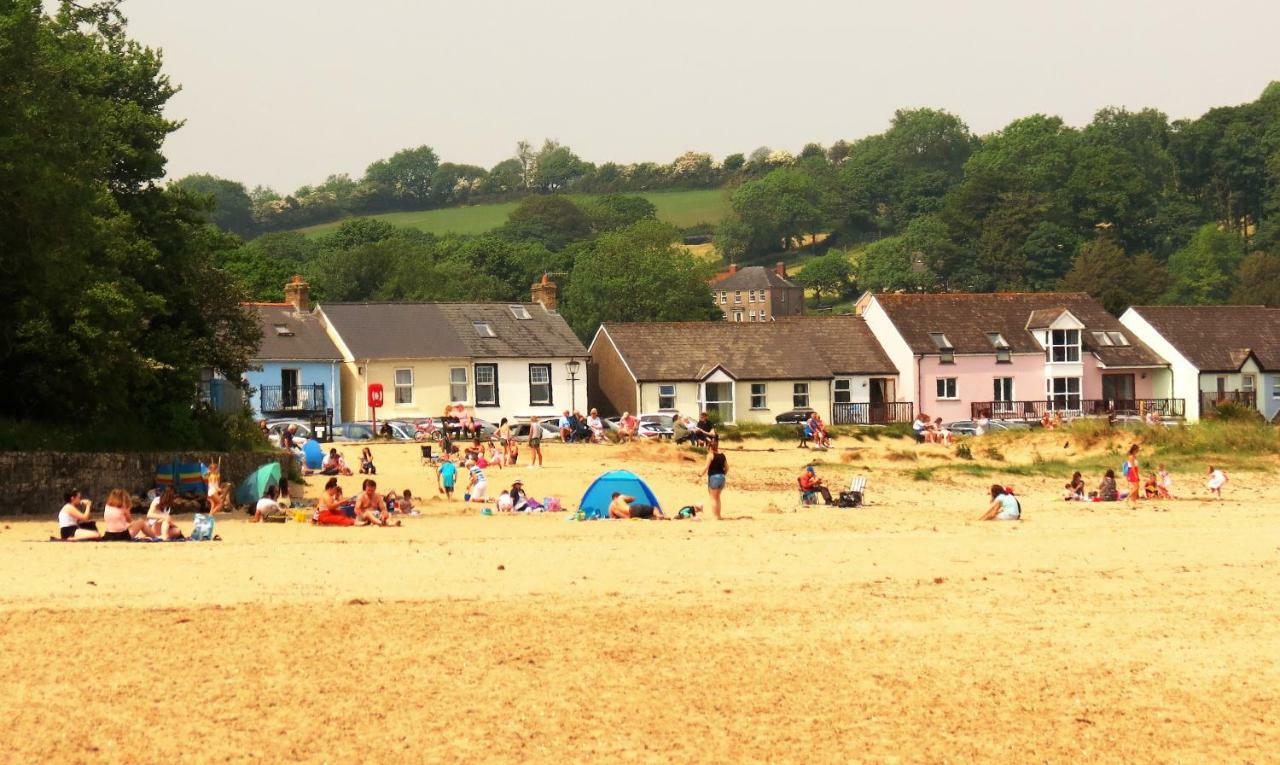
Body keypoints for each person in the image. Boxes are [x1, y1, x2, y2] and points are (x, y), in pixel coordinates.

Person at [699, 437, 727, 520]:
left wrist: (699, 476)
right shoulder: (722, 455)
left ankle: (715, 516)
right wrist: (721, 474)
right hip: (722, 477)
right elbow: (727, 468)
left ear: (709, 447)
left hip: (714, 477)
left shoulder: (710, 455)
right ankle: (719, 516)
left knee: (713, 498)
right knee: (718, 498)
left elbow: (706, 467)